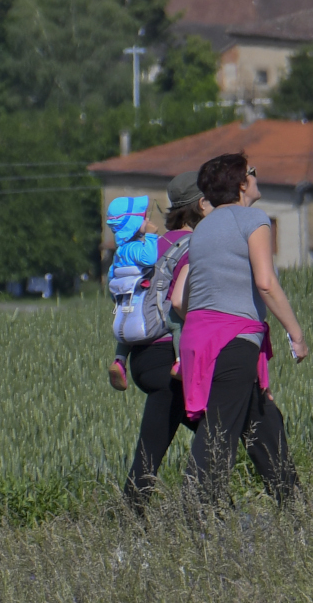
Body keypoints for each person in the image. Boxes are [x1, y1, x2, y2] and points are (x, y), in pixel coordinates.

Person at [176, 152, 307, 505]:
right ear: (241, 183)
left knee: (263, 420)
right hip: (233, 340)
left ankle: (295, 506)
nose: (256, 175)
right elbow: (266, 283)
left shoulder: (201, 231)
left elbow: (180, 300)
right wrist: (295, 333)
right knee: (220, 431)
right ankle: (194, 518)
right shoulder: (253, 219)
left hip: (199, 341)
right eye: (252, 171)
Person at [119, 171, 209, 513]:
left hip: (141, 358)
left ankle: (132, 515)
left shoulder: (150, 246)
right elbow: (180, 303)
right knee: (221, 427)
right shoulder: (192, 247)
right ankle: (206, 509)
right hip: (171, 359)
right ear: (199, 207)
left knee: (153, 446)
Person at [105, 196, 161, 391]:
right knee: (175, 323)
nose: (147, 221)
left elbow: (112, 276)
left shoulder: (119, 252)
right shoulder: (136, 248)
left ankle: (119, 360)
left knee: (124, 335)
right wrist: (152, 236)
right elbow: (149, 258)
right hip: (144, 310)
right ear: (134, 223)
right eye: (143, 218)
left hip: (125, 307)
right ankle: (179, 361)